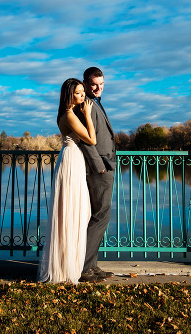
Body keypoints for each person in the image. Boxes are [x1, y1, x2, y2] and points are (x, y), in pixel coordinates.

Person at [37, 78, 96, 284]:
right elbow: (91, 139)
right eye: (79, 93)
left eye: (83, 92)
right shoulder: (69, 115)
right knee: (71, 213)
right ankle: (66, 268)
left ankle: (69, 263)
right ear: (69, 95)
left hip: (72, 159)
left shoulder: (66, 113)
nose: (83, 96)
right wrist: (88, 115)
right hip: (71, 160)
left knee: (76, 212)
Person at [79, 66, 116, 283]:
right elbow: (86, 138)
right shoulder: (87, 105)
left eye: (101, 84)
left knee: (100, 216)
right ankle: (85, 268)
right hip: (99, 168)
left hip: (104, 165)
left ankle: (92, 265)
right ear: (85, 83)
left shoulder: (96, 103)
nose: (98, 88)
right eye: (94, 84)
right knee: (100, 216)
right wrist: (98, 166)